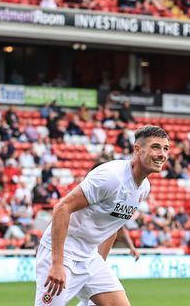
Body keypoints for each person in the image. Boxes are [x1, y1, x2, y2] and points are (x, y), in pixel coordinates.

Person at [35, 125, 169, 306]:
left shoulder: (144, 188)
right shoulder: (110, 176)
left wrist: (99, 266)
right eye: (155, 147)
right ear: (137, 149)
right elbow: (62, 208)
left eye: (165, 148)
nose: (162, 154)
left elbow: (111, 226)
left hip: (89, 257)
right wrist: (57, 263)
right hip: (63, 253)